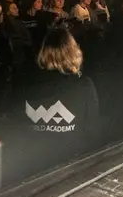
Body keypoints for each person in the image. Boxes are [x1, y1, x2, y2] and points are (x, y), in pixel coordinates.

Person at [6, 27, 100, 181]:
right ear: (73, 51)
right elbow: (92, 132)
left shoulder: (24, 85)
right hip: (72, 170)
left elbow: (16, 127)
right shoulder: (84, 86)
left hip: (34, 170)